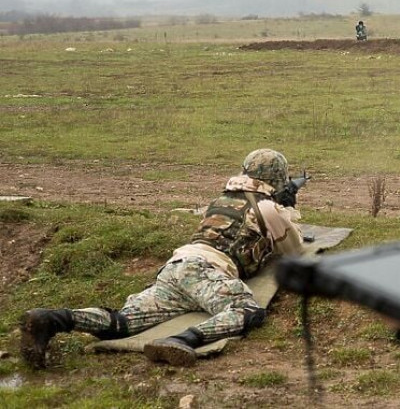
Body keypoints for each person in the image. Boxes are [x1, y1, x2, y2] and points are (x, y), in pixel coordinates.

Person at [19, 149, 304, 369]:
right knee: (248, 311)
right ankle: (181, 340)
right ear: (277, 178)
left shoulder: (221, 200)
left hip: (176, 268)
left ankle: (53, 319)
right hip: (206, 271)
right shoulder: (268, 207)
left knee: (123, 322)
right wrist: (287, 210)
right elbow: (293, 250)